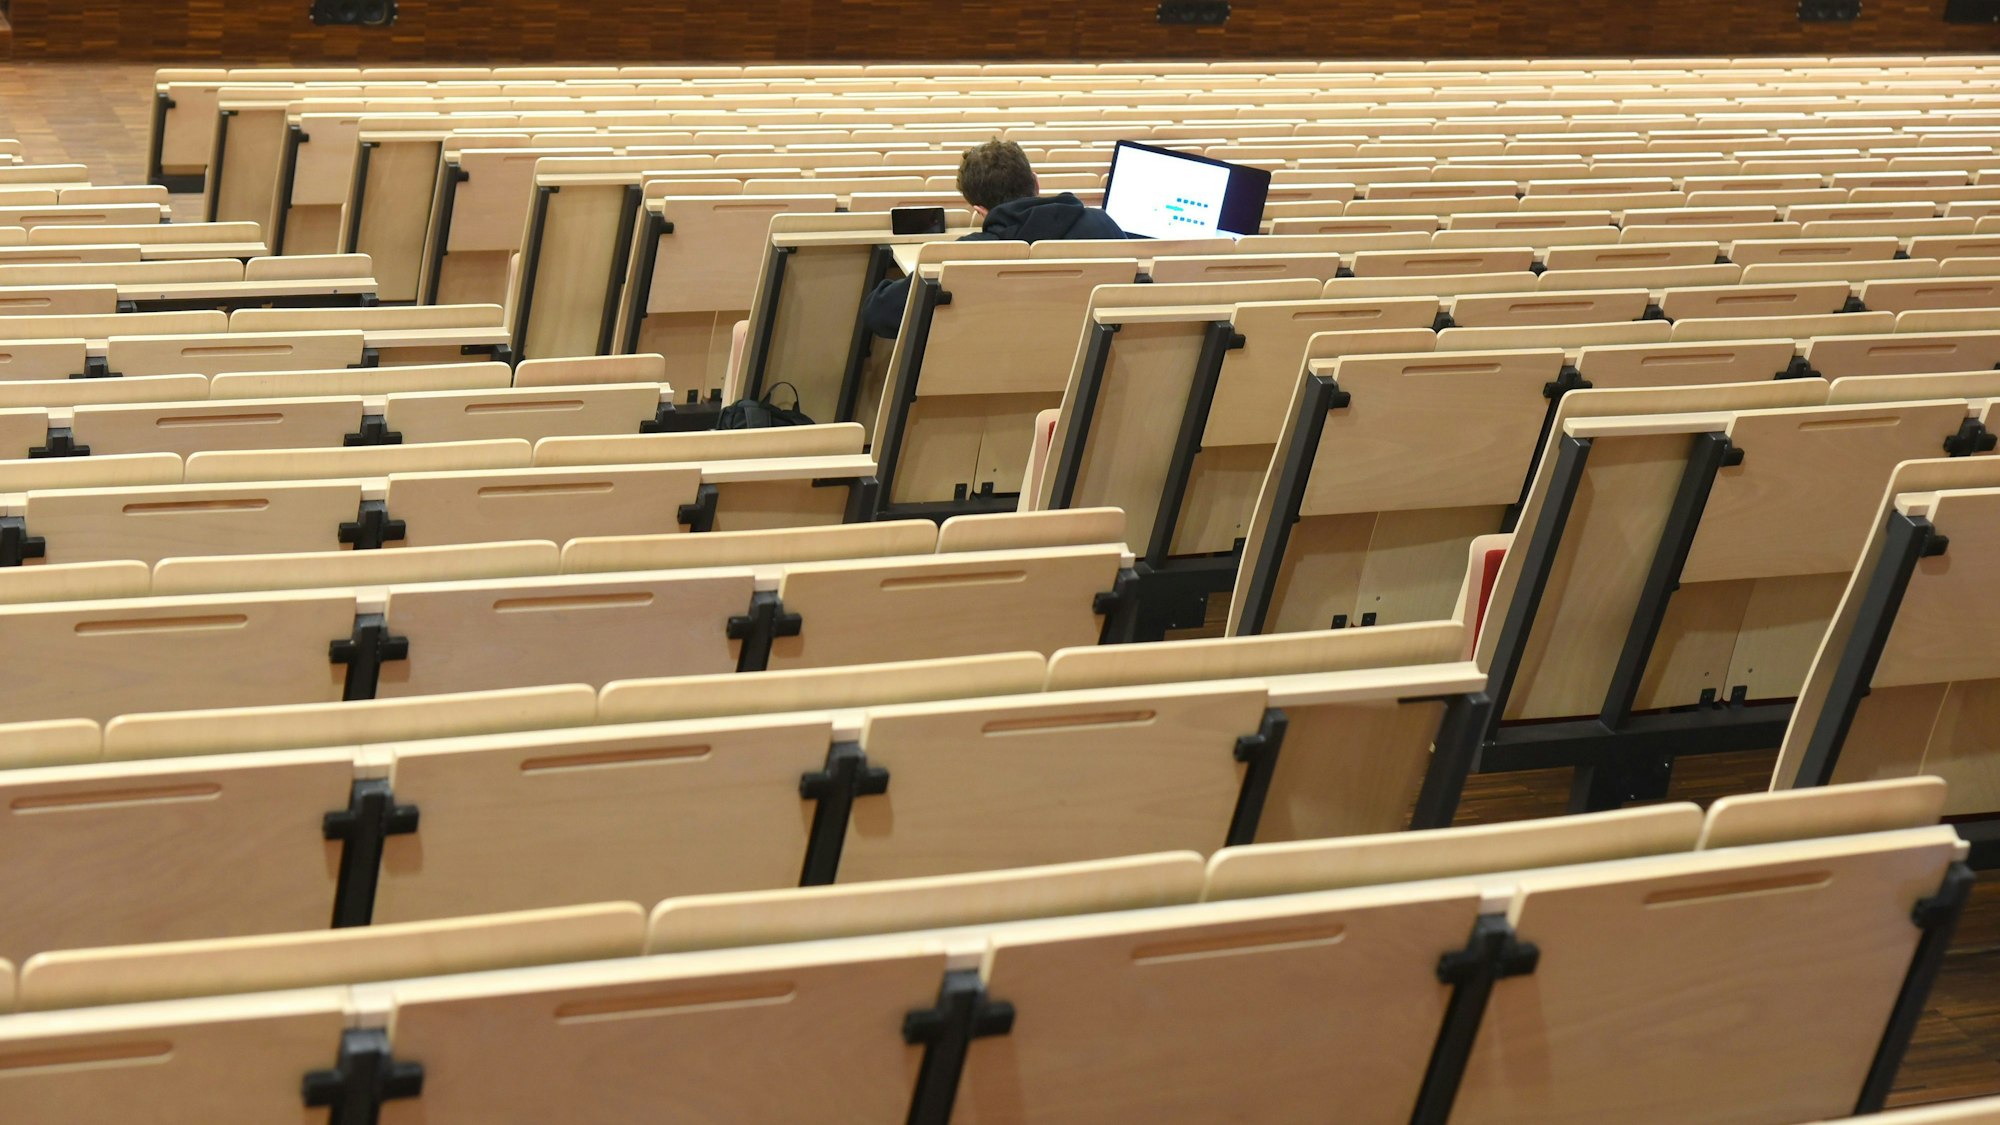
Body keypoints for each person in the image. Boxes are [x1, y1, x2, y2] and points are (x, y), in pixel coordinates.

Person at [862, 139, 1125, 338]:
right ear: (1036, 183)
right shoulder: (1102, 225)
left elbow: (878, 313)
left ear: (979, 210)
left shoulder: (966, 258)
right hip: (1094, 390)